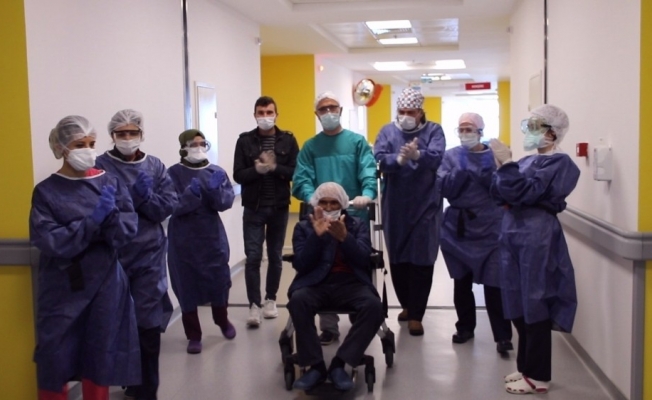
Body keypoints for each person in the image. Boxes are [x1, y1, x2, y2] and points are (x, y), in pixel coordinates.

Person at [30, 115, 140, 400]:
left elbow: (126, 231)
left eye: (92, 144)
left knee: (99, 353)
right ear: (61, 148)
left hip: (105, 283)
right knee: (54, 355)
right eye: (80, 145)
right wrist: (91, 223)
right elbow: (48, 238)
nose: (89, 150)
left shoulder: (110, 183)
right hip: (62, 286)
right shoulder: (46, 191)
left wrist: (111, 219)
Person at [489, 104, 580, 394]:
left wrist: (507, 168)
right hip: (513, 234)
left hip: (537, 237)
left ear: (552, 133)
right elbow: (499, 193)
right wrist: (504, 170)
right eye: (528, 125)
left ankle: (539, 376)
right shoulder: (528, 162)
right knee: (515, 300)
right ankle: (526, 366)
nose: (529, 131)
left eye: (535, 126)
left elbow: (526, 192)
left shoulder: (562, 164)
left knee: (535, 300)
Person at [95, 109, 177, 400]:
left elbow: (165, 207)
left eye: (133, 132)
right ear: (112, 135)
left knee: (147, 322)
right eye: (121, 133)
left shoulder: (155, 166)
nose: (127, 138)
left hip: (148, 254)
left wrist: (145, 198)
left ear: (142, 134)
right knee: (116, 321)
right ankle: (127, 378)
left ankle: (147, 390)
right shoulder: (100, 167)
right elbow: (100, 211)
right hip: (112, 255)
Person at [292, 91, 378, 345]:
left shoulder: (357, 143)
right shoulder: (311, 147)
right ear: (316, 114)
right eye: (323, 108)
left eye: (333, 107)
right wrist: (312, 198)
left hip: (353, 215)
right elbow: (302, 178)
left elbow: (368, 170)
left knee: (353, 265)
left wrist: (367, 194)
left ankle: (359, 318)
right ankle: (329, 328)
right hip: (321, 217)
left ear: (340, 111)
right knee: (323, 266)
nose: (328, 112)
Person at [287, 182, 384, 392]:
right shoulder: (303, 227)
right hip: (315, 283)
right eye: (324, 202)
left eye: (334, 203)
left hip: (350, 283)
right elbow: (301, 264)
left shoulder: (357, 225)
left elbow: (364, 260)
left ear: (343, 204)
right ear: (316, 204)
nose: (329, 207)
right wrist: (316, 237)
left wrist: (345, 238)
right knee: (298, 300)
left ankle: (340, 363)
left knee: (374, 306)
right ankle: (315, 366)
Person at [437, 112, 513, 354]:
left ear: (480, 132)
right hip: (458, 229)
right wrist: (459, 173)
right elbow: (443, 188)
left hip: (490, 228)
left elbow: (504, 188)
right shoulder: (450, 156)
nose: (464, 133)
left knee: (494, 284)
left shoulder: (494, 155)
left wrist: (490, 173)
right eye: (461, 129)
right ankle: (465, 327)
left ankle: (503, 336)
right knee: (461, 282)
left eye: (469, 129)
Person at [373, 87, 445, 336]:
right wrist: (398, 160)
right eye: (402, 111)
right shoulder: (387, 131)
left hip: (426, 206)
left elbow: (437, 157)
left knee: (422, 260)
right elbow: (378, 157)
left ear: (420, 112)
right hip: (396, 206)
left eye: (411, 112)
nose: (405, 116)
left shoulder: (433, 131)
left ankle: (417, 314)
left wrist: (418, 155)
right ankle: (406, 305)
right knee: (398, 259)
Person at [167, 129, 237, 354]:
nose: (198, 148)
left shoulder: (216, 172)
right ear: (183, 148)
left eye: (202, 143)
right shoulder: (172, 174)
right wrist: (191, 195)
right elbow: (172, 207)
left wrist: (216, 191)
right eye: (193, 144)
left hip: (211, 238)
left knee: (219, 281)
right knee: (186, 286)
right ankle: (194, 335)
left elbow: (224, 203)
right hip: (183, 240)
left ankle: (222, 320)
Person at [233, 96, 299, 327]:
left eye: (269, 112)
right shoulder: (244, 141)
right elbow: (238, 174)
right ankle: (254, 305)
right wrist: (257, 171)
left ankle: (271, 299)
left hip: (279, 207)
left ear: (276, 114)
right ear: (255, 115)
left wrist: (274, 167)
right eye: (261, 113)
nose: (265, 117)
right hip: (254, 207)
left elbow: (295, 172)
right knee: (253, 257)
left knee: (275, 255)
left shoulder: (288, 140)